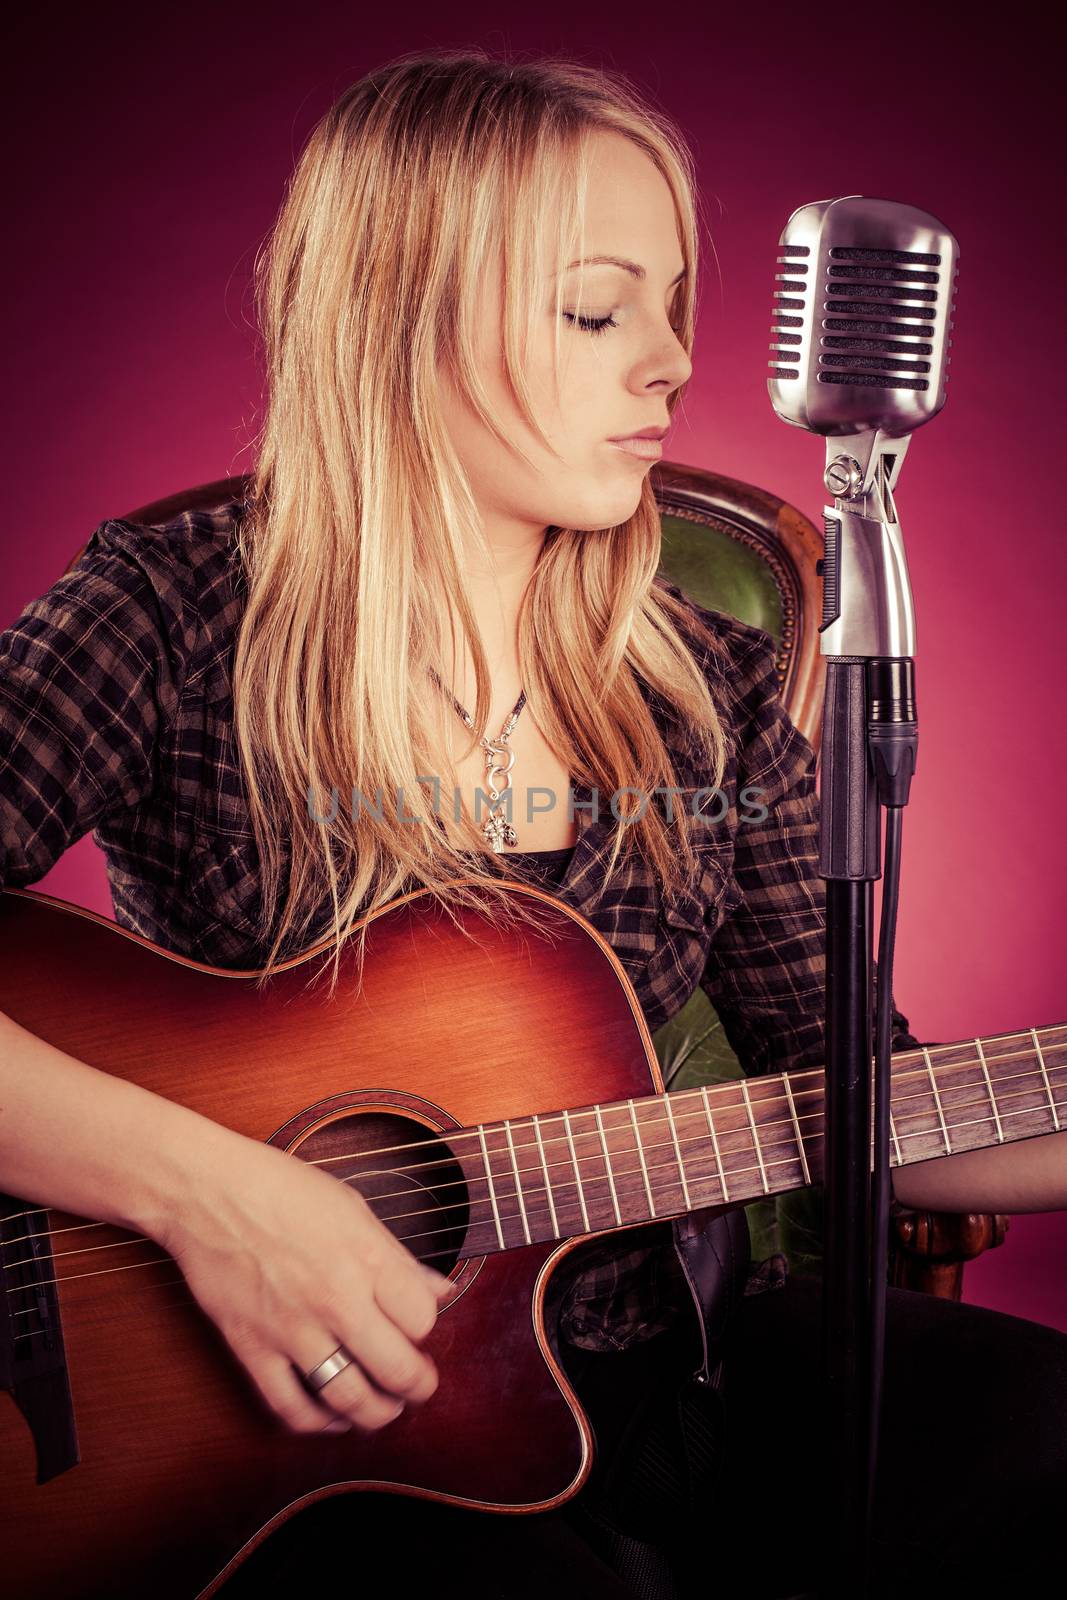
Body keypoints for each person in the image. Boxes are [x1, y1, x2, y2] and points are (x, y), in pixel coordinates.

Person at [1, 48, 1065, 1599]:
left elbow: (864, 1113)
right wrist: (212, 1196)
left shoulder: (712, 680)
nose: (668, 365)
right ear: (405, 318)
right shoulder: (170, 614)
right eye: (595, 307)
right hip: (284, 1411)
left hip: (648, 1382)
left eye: (674, 304)